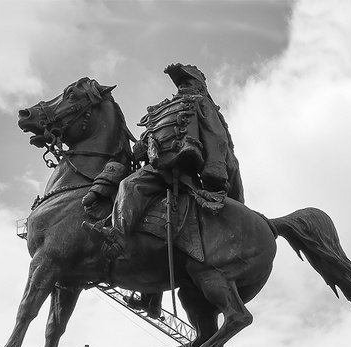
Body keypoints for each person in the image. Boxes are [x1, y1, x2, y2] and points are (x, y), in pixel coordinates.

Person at [90, 63, 244, 261]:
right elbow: (148, 142)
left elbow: (217, 139)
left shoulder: (201, 104)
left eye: (187, 82)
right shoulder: (166, 110)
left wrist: (214, 175)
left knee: (130, 185)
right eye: (180, 84)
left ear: (200, 87)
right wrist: (146, 145)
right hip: (155, 165)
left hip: (177, 173)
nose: (181, 88)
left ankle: (117, 237)